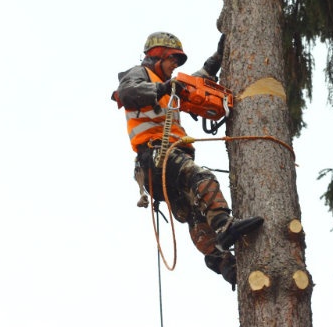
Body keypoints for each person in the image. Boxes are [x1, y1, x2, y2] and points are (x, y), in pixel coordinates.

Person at [112, 31, 263, 289]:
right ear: (156, 56)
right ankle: (225, 226)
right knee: (201, 178)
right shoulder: (140, 77)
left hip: (162, 166)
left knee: (196, 215)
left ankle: (223, 263)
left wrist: (217, 59)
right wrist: (163, 87)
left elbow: (194, 85)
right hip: (156, 154)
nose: (175, 66)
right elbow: (126, 92)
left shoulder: (169, 87)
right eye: (172, 59)